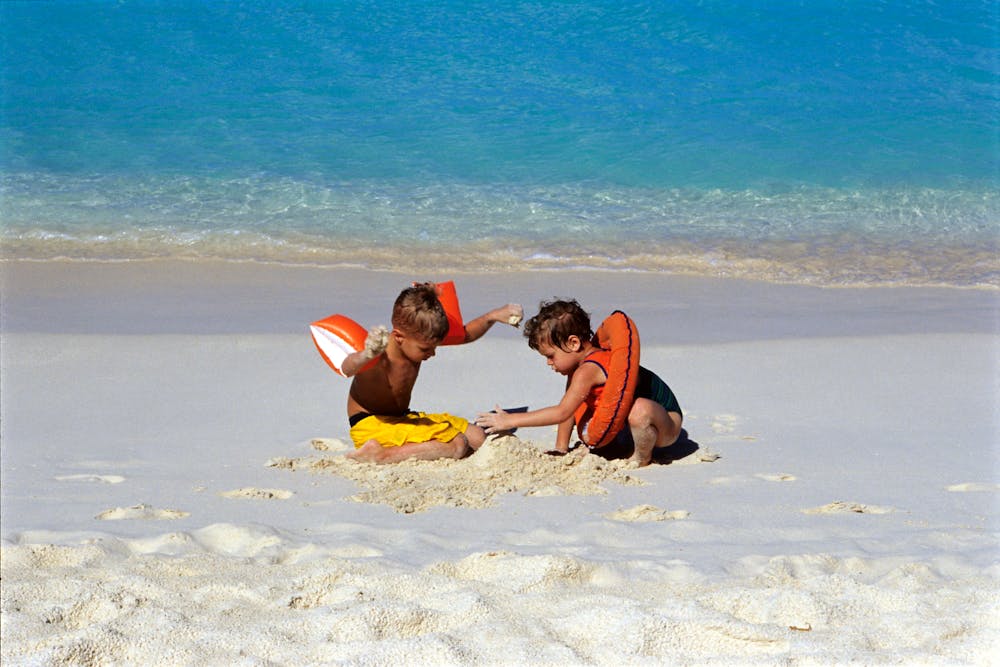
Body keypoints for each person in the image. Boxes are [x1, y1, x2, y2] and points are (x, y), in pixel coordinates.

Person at [475, 298, 682, 467]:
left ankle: (641, 458)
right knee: (613, 412)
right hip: (634, 425)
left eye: (550, 356)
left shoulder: (588, 370)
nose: (549, 363)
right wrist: (561, 447)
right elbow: (571, 407)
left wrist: (510, 420)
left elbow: (562, 412)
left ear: (573, 343)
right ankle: (625, 444)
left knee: (639, 409)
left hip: (666, 421)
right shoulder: (578, 370)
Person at [341, 282, 523, 464]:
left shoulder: (416, 338)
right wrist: (366, 354)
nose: (433, 353)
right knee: (458, 444)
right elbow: (347, 368)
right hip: (371, 423)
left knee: (478, 437)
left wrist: (492, 316)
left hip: (402, 417)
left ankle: (401, 448)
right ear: (398, 337)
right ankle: (380, 454)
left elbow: (465, 335)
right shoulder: (380, 353)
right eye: (426, 349)